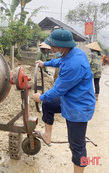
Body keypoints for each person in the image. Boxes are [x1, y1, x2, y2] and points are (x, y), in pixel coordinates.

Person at [33, 29, 96, 173]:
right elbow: (60, 61)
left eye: (53, 46)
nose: (51, 48)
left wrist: (40, 97)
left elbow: (58, 90)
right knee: (48, 104)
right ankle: (47, 136)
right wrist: (45, 63)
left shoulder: (74, 65)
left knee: (77, 146)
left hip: (78, 108)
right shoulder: (73, 52)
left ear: (63, 46)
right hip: (70, 100)